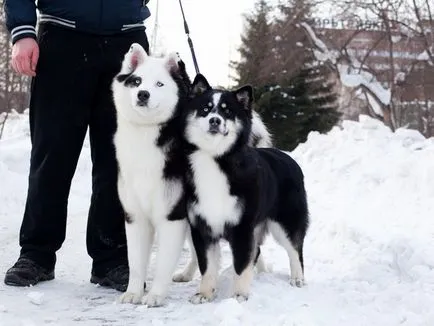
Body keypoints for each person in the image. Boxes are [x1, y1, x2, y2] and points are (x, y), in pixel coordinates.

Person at [3, 0, 151, 291]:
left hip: (127, 42)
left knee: (119, 160)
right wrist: (22, 31)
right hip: (62, 36)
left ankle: (112, 258)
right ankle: (37, 254)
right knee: (52, 154)